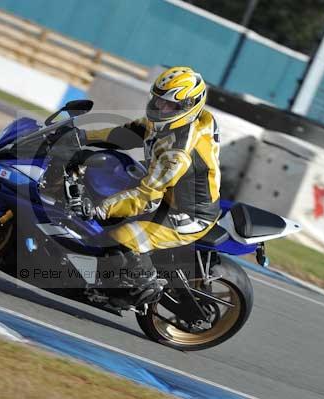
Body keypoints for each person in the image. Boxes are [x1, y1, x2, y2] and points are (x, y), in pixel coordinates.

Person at [78, 66, 222, 307]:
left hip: (188, 214)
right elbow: (128, 134)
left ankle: (141, 289)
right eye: (158, 101)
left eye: (171, 106)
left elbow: (146, 198)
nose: (161, 109)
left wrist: (99, 209)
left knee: (121, 237)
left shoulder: (178, 153)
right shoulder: (177, 122)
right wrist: (82, 136)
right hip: (169, 193)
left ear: (190, 105)